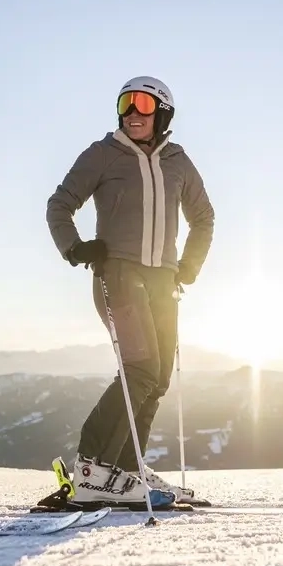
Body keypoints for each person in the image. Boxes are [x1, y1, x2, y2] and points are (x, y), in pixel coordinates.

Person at [46, 76, 214, 506]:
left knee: (155, 379)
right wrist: (75, 247)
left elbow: (203, 216)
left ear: (162, 112)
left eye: (142, 104)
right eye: (125, 103)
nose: (132, 112)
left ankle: (122, 471)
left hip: (164, 280)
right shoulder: (103, 154)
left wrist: (189, 266)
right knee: (139, 369)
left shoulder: (177, 159)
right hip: (118, 274)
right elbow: (60, 204)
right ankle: (91, 469)